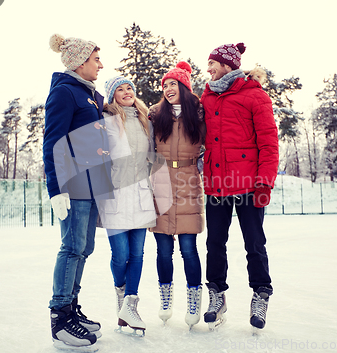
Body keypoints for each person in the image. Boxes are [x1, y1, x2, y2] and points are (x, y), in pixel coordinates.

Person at [200, 43, 279, 331]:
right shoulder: (206, 98)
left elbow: (269, 142)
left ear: (227, 64)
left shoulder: (254, 96)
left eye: (212, 63)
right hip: (217, 184)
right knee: (214, 244)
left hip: (248, 185)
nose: (207, 69)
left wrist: (264, 182)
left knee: (254, 243)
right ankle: (217, 295)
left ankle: (260, 294)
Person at [43, 33, 112, 350]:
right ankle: (60, 318)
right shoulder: (65, 94)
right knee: (71, 248)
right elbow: (52, 142)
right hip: (72, 185)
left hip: (92, 184)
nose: (101, 64)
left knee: (84, 249)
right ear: (80, 62)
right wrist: (55, 189)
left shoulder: (90, 96)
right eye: (96, 59)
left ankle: (72, 307)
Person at [148, 61, 205, 329]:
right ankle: (166, 297)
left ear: (184, 86)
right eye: (165, 85)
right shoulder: (156, 115)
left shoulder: (200, 115)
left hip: (188, 181)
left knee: (188, 248)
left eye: (173, 83)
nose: (168, 88)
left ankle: (194, 299)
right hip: (161, 182)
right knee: (162, 250)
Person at [97, 76, 156, 336]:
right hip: (116, 195)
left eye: (129, 87)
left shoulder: (147, 121)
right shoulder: (106, 120)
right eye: (119, 89)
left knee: (139, 253)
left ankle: (131, 304)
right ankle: (121, 294)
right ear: (112, 97)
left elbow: (154, 157)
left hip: (142, 193)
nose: (126, 92)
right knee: (120, 255)